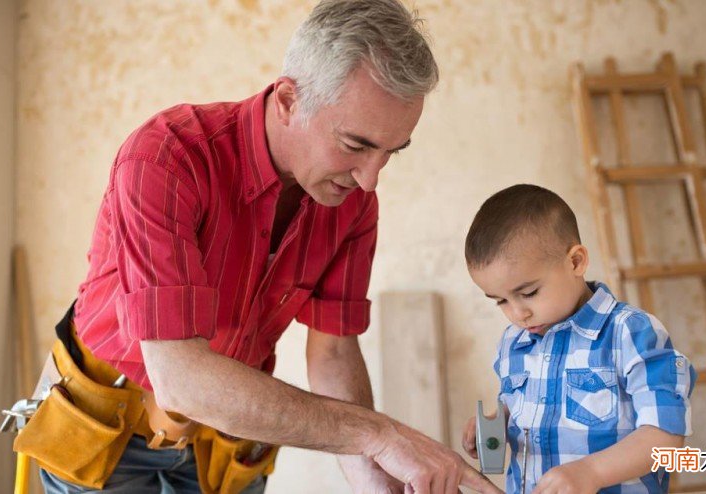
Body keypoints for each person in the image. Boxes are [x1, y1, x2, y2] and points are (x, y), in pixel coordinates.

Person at [29, 1, 502, 493]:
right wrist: (378, 435)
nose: (369, 179)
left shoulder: (353, 203)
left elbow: (335, 351)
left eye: (391, 153)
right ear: (288, 100)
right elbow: (181, 379)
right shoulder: (166, 159)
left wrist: (374, 482)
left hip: (229, 441)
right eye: (356, 145)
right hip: (108, 428)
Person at [461, 184, 696, 493]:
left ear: (575, 262)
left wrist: (591, 473)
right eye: (500, 301)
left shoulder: (631, 333)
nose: (518, 313)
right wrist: (495, 425)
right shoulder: (512, 344)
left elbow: (666, 439)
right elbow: (525, 411)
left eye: (529, 293)